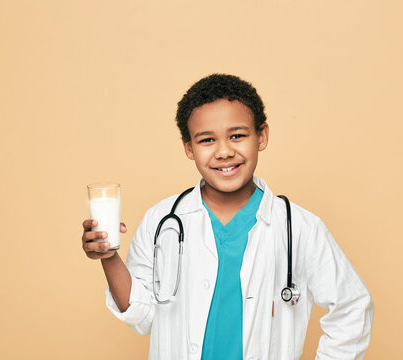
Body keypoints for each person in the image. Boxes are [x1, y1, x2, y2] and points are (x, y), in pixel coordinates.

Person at [81, 74, 374, 359]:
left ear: (262, 136)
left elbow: (353, 307)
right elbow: (141, 315)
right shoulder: (162, 220)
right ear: (188, 148)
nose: (223, 152)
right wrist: (109, 256)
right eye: (207, 140)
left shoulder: (300, 228)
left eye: (237, 135)